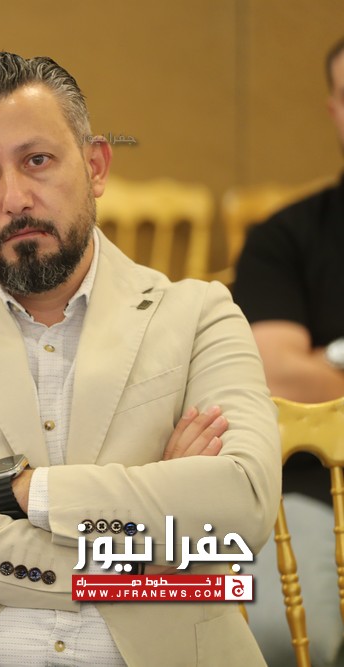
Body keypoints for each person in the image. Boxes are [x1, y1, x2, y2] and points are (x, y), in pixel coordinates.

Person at [0, 52, 281, 667]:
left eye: (37, 161)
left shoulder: (199, 316)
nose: (14, 198)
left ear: (95, 166)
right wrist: (140, 557)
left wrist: (13, 492)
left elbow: (240, 509)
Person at [231, 35, 344, 667]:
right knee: (280, 638)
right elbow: (277, 376)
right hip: (318, 489)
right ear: (334, 110)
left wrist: (329, 359)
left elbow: (308, 373)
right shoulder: (286, 237)